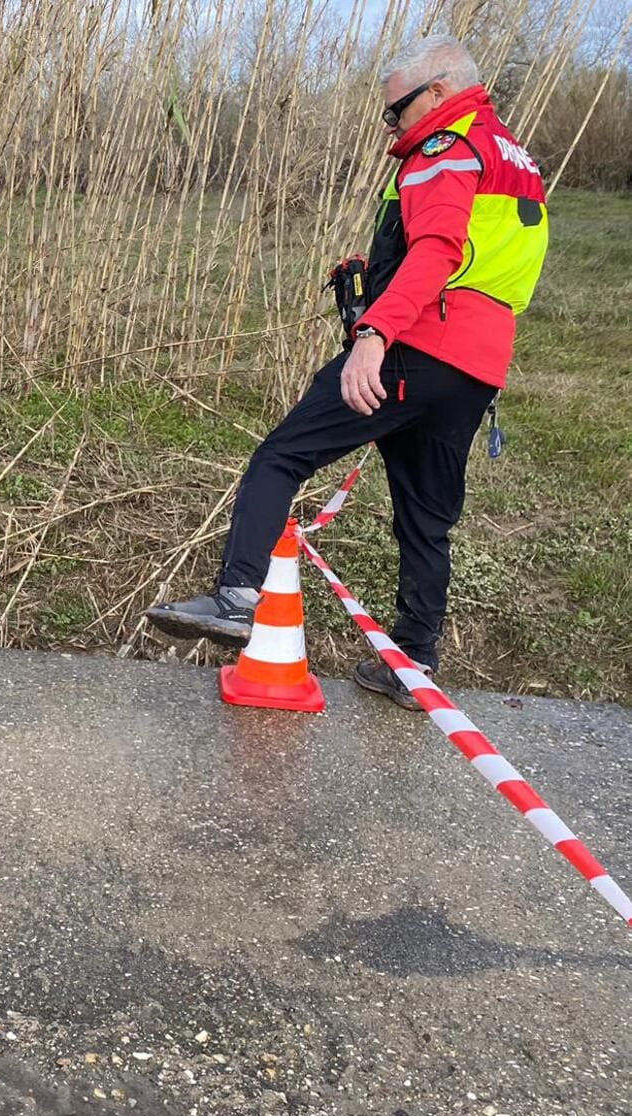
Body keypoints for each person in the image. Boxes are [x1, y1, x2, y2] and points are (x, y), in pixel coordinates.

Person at [146, 34, 548, 709]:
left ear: (442, 91)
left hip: (415, 346)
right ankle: (414, 665)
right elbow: (483, 260)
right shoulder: (516, 156)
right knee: (426, 518)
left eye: (397, 110)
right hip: (477, 368)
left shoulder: (443, 146)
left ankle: (238, 595)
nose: (391, 124)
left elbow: (440, 250)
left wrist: (373, 333)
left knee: (283, 455)